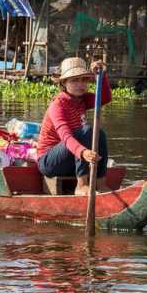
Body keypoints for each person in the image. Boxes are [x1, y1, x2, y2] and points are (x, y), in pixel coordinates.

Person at [37, 56, 111, 196]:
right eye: (74, 80)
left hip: (71, 157)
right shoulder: (57, 105)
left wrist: (101, 76)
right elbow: (66, 137)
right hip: (49, 162)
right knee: (85, 131)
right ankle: (81, 185)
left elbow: (105, 98)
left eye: (84, 80)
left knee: (99, 133)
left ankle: (100, 184)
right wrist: (83, 152)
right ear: (64, 83)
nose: (80, 84)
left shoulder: (82, 100)